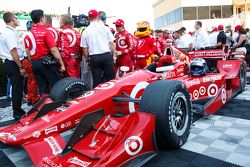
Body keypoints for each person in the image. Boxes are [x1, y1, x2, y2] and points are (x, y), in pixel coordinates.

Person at [24, 9, 65, 95]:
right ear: (42, 18)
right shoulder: (46, 31)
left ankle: (45, 106)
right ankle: (57, 106)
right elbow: (54, 50)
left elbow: (27, 52)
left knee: (42, 88)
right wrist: (62, 64)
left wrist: (33, 62)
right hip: (46, 62)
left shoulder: (28, 34)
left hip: (35, 63)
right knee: (56, 85)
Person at [0, 12, 26, 119]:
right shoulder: (9, 33)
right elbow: (13, 51)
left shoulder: (7, 31)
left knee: (17, 87)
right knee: (17, 88)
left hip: (10, 62)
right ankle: (17, 112)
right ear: (12, 20)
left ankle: (18, 109)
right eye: (16, 18)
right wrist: (20, 66)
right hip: (13, 63)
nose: (17, 19)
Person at [81, 9, 115, 87]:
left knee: (96, 81)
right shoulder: (104, 27)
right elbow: (111, 43)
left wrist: (87, 60)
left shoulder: (86, 31)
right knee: (111, 80)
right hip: (106, 56)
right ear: (97, 17)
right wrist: (113, 55)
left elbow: (85, 49)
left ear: (89, 18)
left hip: (94, 57)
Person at [22, 21, 40, 105]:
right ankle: (34, 99)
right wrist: (31, 61)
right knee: (33, 81)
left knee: (30, 80)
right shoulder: (30, 35)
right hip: (29, 59)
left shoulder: (24, 35)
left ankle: (30, 98)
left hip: (25, 60)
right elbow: (28, 50)